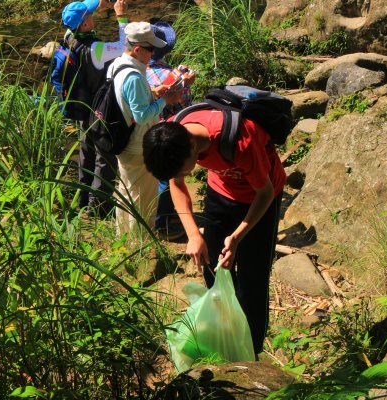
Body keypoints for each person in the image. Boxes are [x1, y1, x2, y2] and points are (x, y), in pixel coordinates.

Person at [142, 111, 286, 357]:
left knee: (252, 282)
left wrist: (238, 237)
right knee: (213, 269)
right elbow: (177, 185)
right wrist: (194, 236)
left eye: (184, 170)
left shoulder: (242, 141)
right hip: (220, 193)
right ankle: (223, 335)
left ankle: (250, 353)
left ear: (191, 145)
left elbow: (265, 193)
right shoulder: (172, 134)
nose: (184, 175)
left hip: (260, 200)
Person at [107, 21, 182, 238]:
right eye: (151, 50)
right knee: (143, 197)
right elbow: (141, 116)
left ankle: (122, 238)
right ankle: (139, 242)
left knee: (126, 191)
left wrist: (153, 92)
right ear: (138, 49)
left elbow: (128, 98)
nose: (153, 54)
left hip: (121, 140)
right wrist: (165, 100)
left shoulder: (117, 64)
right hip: (137, 145)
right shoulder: (134, 76)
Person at [57, 0, 129, 218]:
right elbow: (124, 47)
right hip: (100, 109)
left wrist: (98, 4)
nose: (93, 17)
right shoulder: (96, 49)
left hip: (82, 107)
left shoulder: (69, 38)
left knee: (86, 153)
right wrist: (121, 17)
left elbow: (80, 17)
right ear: (86, 24)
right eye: (89, 15)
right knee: (104, 158)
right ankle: (98, 210)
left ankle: (83, 202)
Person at [145, 21, 195, 241]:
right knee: (169, 174)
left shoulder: (139, 68)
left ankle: (159, 216)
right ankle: (163, 223)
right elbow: (183, 102)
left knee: (158, 172)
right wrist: (186, 83)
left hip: (149, 127)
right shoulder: (168, 73)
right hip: (168, 127)